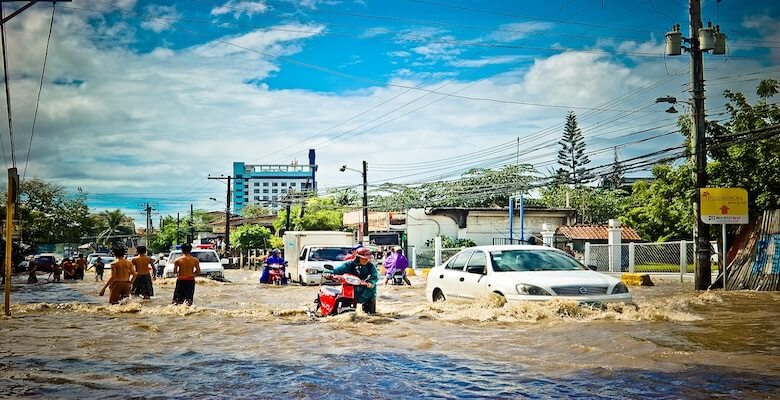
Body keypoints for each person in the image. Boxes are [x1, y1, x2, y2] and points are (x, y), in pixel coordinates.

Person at [326, 247, 378, 314]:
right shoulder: (349, 264)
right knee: (345, 311)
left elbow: (374, 276)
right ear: (358, 257)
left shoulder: (371, 266)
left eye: (367, 258)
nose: (366, 260)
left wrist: (371, 282)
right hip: (350, 288)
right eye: (364, 258)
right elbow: (336, 270)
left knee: (370, 314)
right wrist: (328, 273)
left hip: (366, 289)